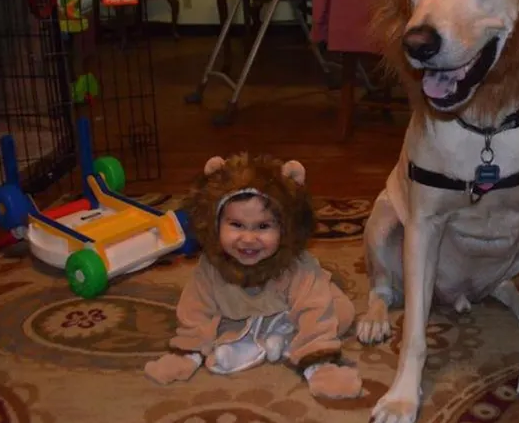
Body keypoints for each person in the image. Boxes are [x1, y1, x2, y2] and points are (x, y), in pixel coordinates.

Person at [144, 153, 362, 399]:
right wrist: (187, 351)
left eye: (262, 226)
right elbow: (195, 308)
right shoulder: (211, 266)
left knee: (341, 311)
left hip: (290, 309)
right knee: (218, 321)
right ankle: (250, 339)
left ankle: (282, 336)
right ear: (214, 224)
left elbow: (315, 308)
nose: (248, 239)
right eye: (236, 225)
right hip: (238, 311)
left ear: (286, 228)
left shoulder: (297, 266)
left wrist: (319, 364)